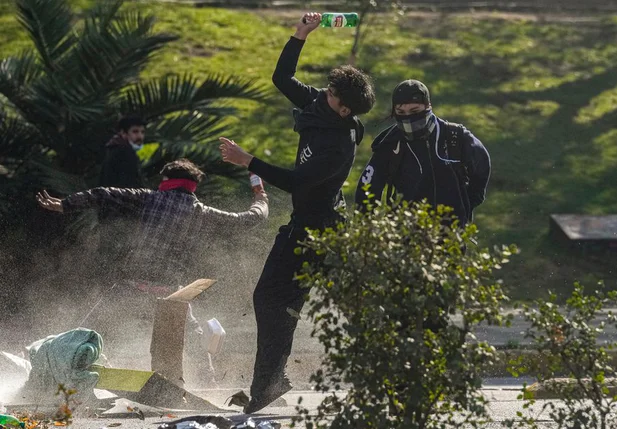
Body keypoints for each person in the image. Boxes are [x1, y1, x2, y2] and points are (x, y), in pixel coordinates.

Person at [218, 11, 376, 413]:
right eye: (327, 89)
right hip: (305, 225)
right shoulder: (318, 106)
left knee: (275, 298)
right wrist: (299, 35)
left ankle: (270, 384)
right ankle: (268, 383)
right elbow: (282, 79)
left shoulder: (339, 146)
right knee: (272, 299)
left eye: (332, 95)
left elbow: (296, 182)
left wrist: (246, 159)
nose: (324, 93)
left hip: (319, 231)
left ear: (344, 111)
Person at [37, 158, 269, 385]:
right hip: (170, 294)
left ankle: (66, 369)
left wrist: (65, 204)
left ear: (167, 180)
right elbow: (247, 220)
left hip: (132, 287)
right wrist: (261, 199)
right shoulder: (201, 212)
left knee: (90, 330)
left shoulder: (149, 198)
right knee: (193, 339)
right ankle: (210, 384)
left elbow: (103, 193)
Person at [355, 79, 490, 228]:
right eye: (400, 112)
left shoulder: (454, 136)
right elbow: (367, 187)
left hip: (451, 233)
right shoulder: (390, 144)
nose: (408, 118)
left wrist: (468, 202)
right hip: (405, 233)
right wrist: (367, 228)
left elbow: (482, 166)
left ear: (428, 106)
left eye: (415, 111)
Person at [97, 115, 147, 278]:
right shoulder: (125, 152)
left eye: (141, 132)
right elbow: (131, 189)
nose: (139, 136)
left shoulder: (113, 150)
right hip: (121, 217)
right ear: (123, 133)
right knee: (119, 264)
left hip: (110, 215)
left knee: (107, 262)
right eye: (135, 132)